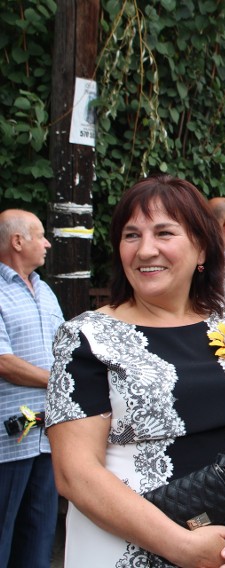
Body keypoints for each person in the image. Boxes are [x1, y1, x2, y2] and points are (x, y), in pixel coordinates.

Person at [45, 175, 225, 567]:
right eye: (131, 236)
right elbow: (75, 472)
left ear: (201, 250)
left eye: (164, 233)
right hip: (122, 549)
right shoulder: (86, 338)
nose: (146, 250)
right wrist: (181, 546)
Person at [0, 209, 64, 568]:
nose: (47, 243)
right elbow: (3, 362)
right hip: (8, 440)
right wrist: (58, 380)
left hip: (47, 434)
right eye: (40, 235)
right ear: (17, 241)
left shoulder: (46, 290)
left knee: (40, 533)